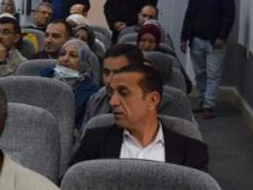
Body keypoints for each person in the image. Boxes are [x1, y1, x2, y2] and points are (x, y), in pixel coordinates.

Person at [71, 64, 209, 170]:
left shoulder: (191, 152)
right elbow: (70, 186)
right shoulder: (94, 142)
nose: (112, 101)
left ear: (152, 100)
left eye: (124, 92)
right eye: (112, 93)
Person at [181, 0, 236, 119]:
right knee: (200, 74)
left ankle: (209, 105)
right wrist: (184, 39)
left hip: (215, 42)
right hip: (196, 41)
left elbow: (229, 18)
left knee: (213, 74)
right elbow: (188, 19)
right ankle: (202, 101)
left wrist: (222, 37)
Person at [39, 39, 100, 130]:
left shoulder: (92, 91)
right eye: (62, 54)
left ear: (84, 62)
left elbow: (84, 126)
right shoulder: (43, 77)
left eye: (73, 55)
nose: (65, 59)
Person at [80, 44, 144, 129]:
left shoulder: (151, 104)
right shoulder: (96, 99)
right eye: (106, 72)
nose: (109, 80)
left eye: (118, 73)